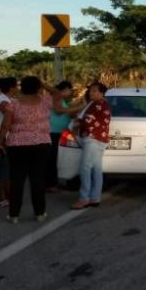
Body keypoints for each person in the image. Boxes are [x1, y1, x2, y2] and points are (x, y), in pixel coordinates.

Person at [0, 76, 54, 223]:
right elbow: (58, 93)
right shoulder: (46, 102)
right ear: (38, 87)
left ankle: (14, 215)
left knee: (17, 180)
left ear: (22, 88)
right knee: (38, 179)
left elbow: (5, 126)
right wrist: (44, 85)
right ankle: (40, 213)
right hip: (41, 144)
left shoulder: (13, 104)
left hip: (17, 145)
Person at [71, 82, 111, 210]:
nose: (91, 93)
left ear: (101, 92)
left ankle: (84, 198)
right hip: (99, 138)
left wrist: (78, 123)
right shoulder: (97, 103)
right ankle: (95, 197)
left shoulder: (98, 105)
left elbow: (87, 120)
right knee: (96, 169)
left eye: (95, 91)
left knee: (85, 168)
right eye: (91, 91)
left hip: (92, 138)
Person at [47, 81, 85, 192]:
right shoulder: (55, 97)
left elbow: (66, 111)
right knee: (52, 158)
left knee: (54, 158)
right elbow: (59, 111)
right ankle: (50, 184)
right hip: (53, 132)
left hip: (58, 132)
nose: (70, 92)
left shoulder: (61, 99)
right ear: (64, 89)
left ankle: (52, 182)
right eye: (70, 90)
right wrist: (79, 107)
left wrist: (77, 107)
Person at [0, 77, 17, 209]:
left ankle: (7, 196)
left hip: (6, 139)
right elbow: (8, 111)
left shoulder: (7, 99)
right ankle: (2, 198)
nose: (17, 88)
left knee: (7, 170)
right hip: (2, 140)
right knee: (3, 170)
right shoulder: (3, 101)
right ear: (11, 88)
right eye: (16, 86)